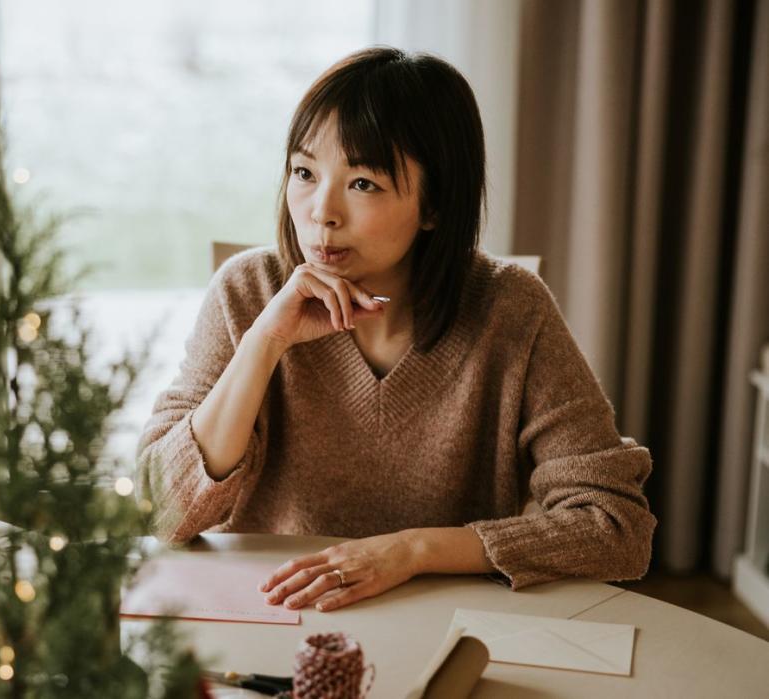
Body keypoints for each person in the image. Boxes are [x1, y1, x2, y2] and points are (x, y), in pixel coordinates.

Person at [136, 47, 656, 613]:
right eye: (304, 173)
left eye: (363, 183)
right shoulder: (248, 292)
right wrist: (264, 344)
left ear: (433, 204)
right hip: (273, 611)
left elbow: (616, 528)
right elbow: (162, 512)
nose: (321, 213)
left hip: (445, 620)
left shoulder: (510, 310)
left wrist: (412, 550)